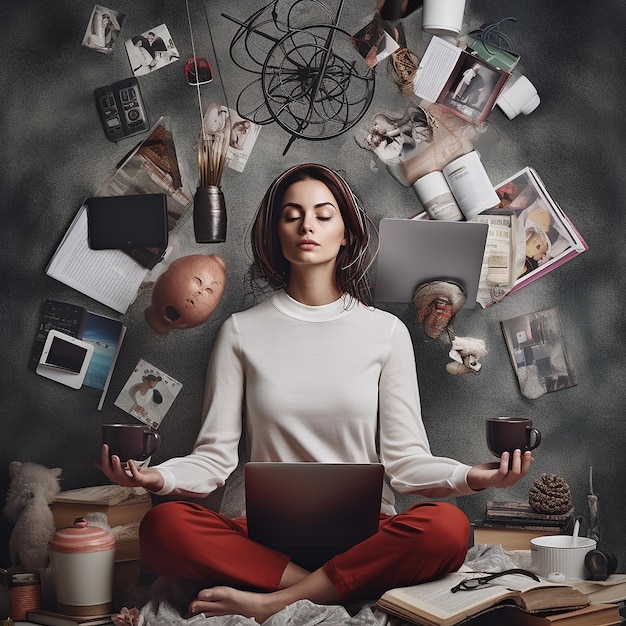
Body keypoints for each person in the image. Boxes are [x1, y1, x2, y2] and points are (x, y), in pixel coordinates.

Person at [98, 163, 532, 623]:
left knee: (447, 528)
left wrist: (473, 476)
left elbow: (406, 464)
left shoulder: (385, 333)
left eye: (324, 215)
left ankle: (273, 601)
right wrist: (155, 478)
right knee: (163, 527)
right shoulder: (240, 332)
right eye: (292, 215)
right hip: (261, 541)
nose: (307, 225)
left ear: (346, 232)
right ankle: (321, 587)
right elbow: (214, 460)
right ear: (277, 232)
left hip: (365, 539)